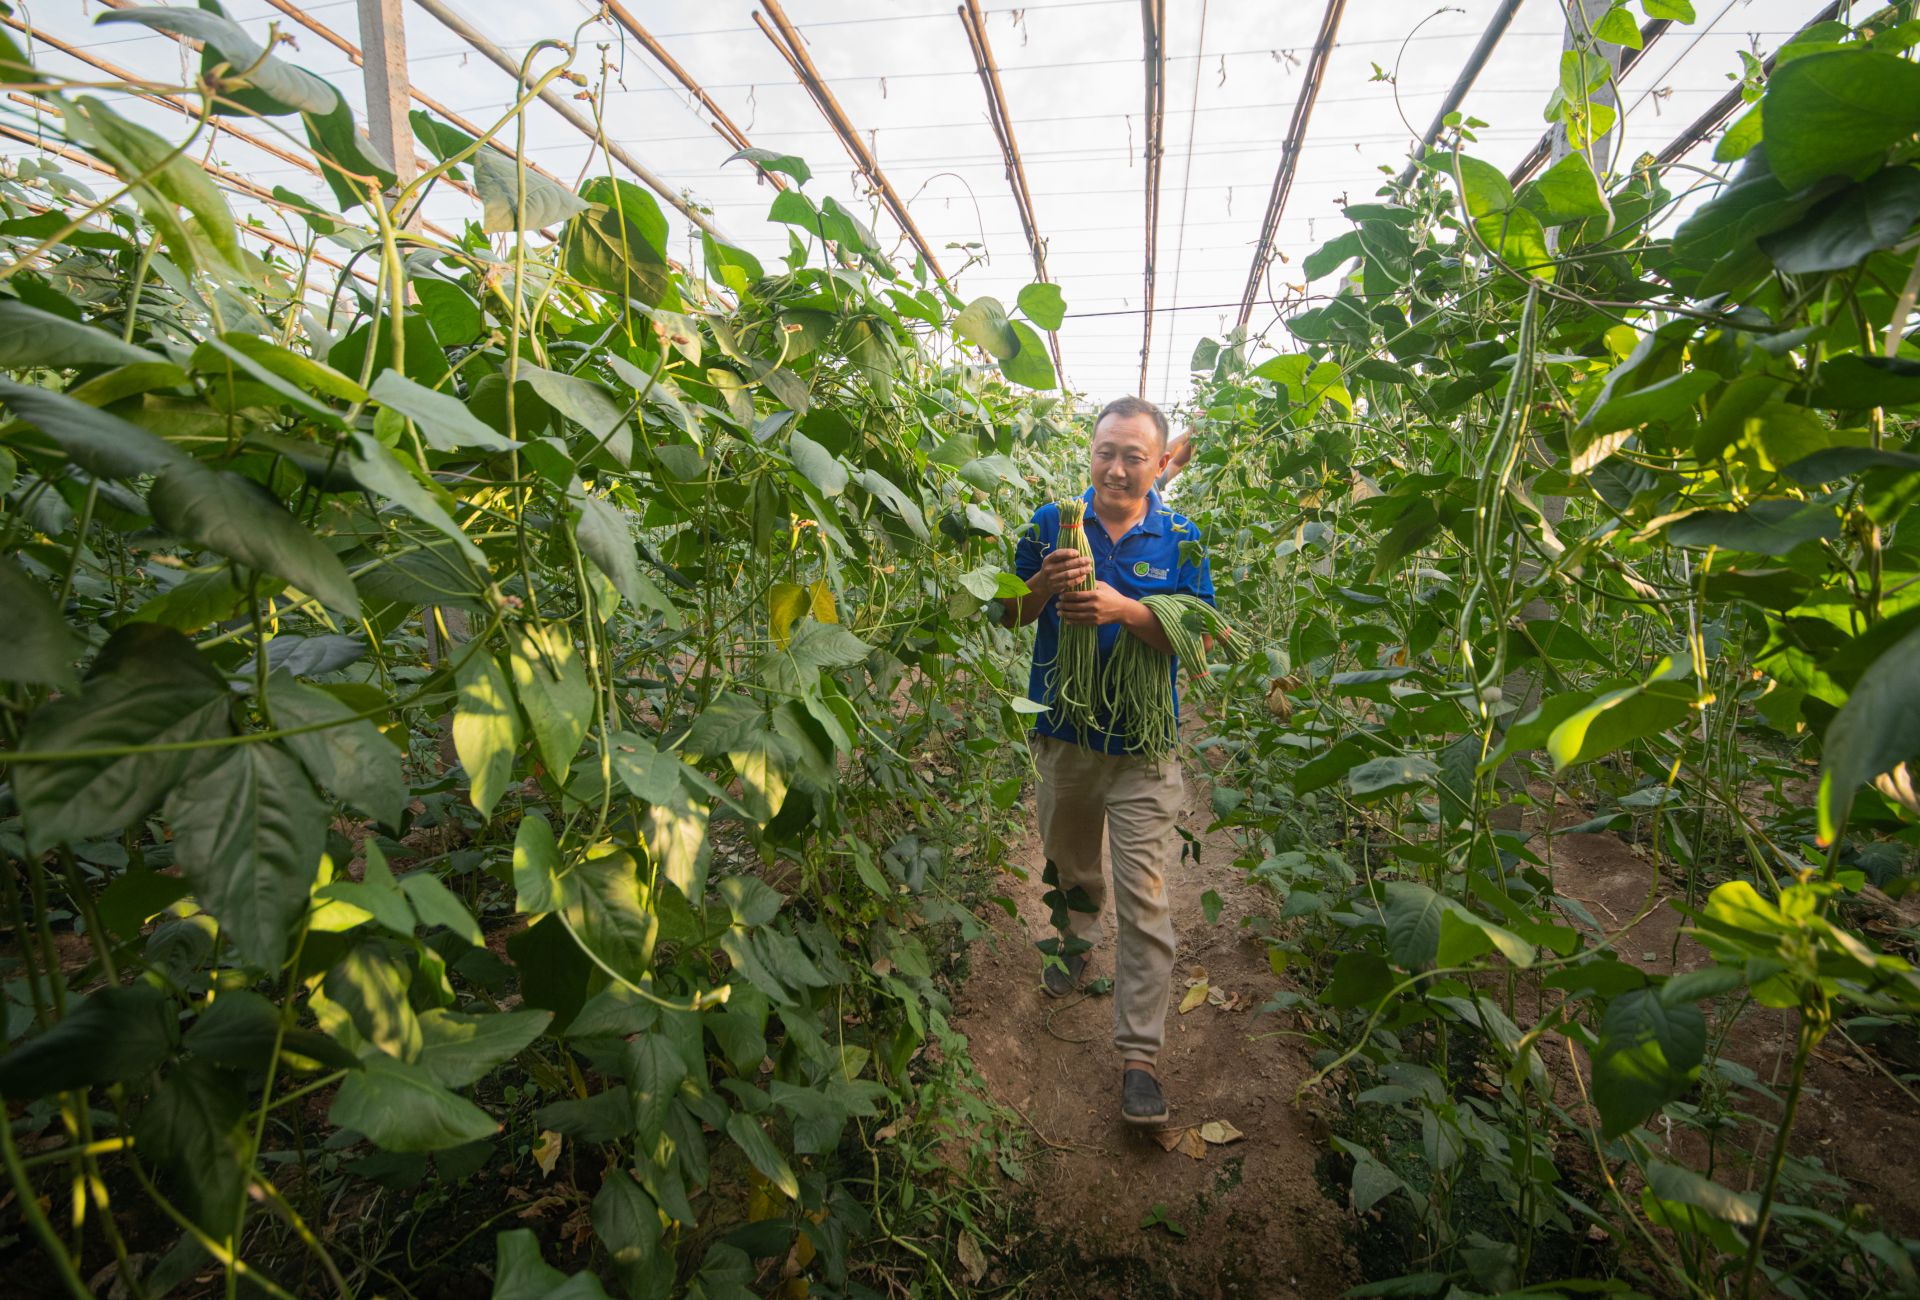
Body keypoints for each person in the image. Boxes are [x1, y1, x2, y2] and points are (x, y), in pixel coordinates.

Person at [997, 395, 1216, 1128]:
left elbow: (1201, 641)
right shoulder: (1052, 525)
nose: (1117, 468)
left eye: (1134, 456)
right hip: (1064, 733)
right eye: (1105, 452)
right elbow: (1008, 615)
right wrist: (1042, 588)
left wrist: (1125, 609)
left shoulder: (1180, 539)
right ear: (1090, 453)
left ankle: (1139, 1057)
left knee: (1147, 899)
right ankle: (1073, 940)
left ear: (1160, 464)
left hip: (1143, 749)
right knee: (1067, 863)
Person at [1154, 428, 1194, 493]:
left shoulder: (1149, 482)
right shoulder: (1148, 484)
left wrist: (1193, 433)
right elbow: (1176, 464)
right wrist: (1193, 434)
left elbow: (1175, 463)